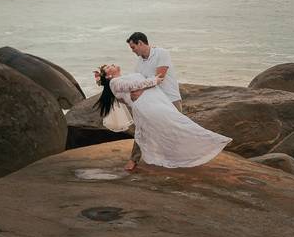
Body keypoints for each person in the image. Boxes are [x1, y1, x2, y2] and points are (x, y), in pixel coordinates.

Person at [93, 64, 231, 169]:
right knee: (176, 124)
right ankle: (210, 141)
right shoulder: (114, 82)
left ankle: (206, 143)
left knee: (173, 125)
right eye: (108, 67)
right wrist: (155, 80)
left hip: (150, 103)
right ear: (108, 75)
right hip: (146, 106)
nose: (112, 65)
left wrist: (145, 86)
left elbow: (136, 88)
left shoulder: (121, 79)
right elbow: (134, 86)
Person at [125, 32, 181, 170]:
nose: (132, 51)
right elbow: (137, 81)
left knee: (177, 129)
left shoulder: (161, 53)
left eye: (133, 47)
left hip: (170, 98)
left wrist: (140, 90)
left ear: (141, 43)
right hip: (152, 101)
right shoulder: (139, 64)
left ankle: (179, 157)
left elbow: (159, 76)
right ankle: (134, 159)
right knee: (142, 127)